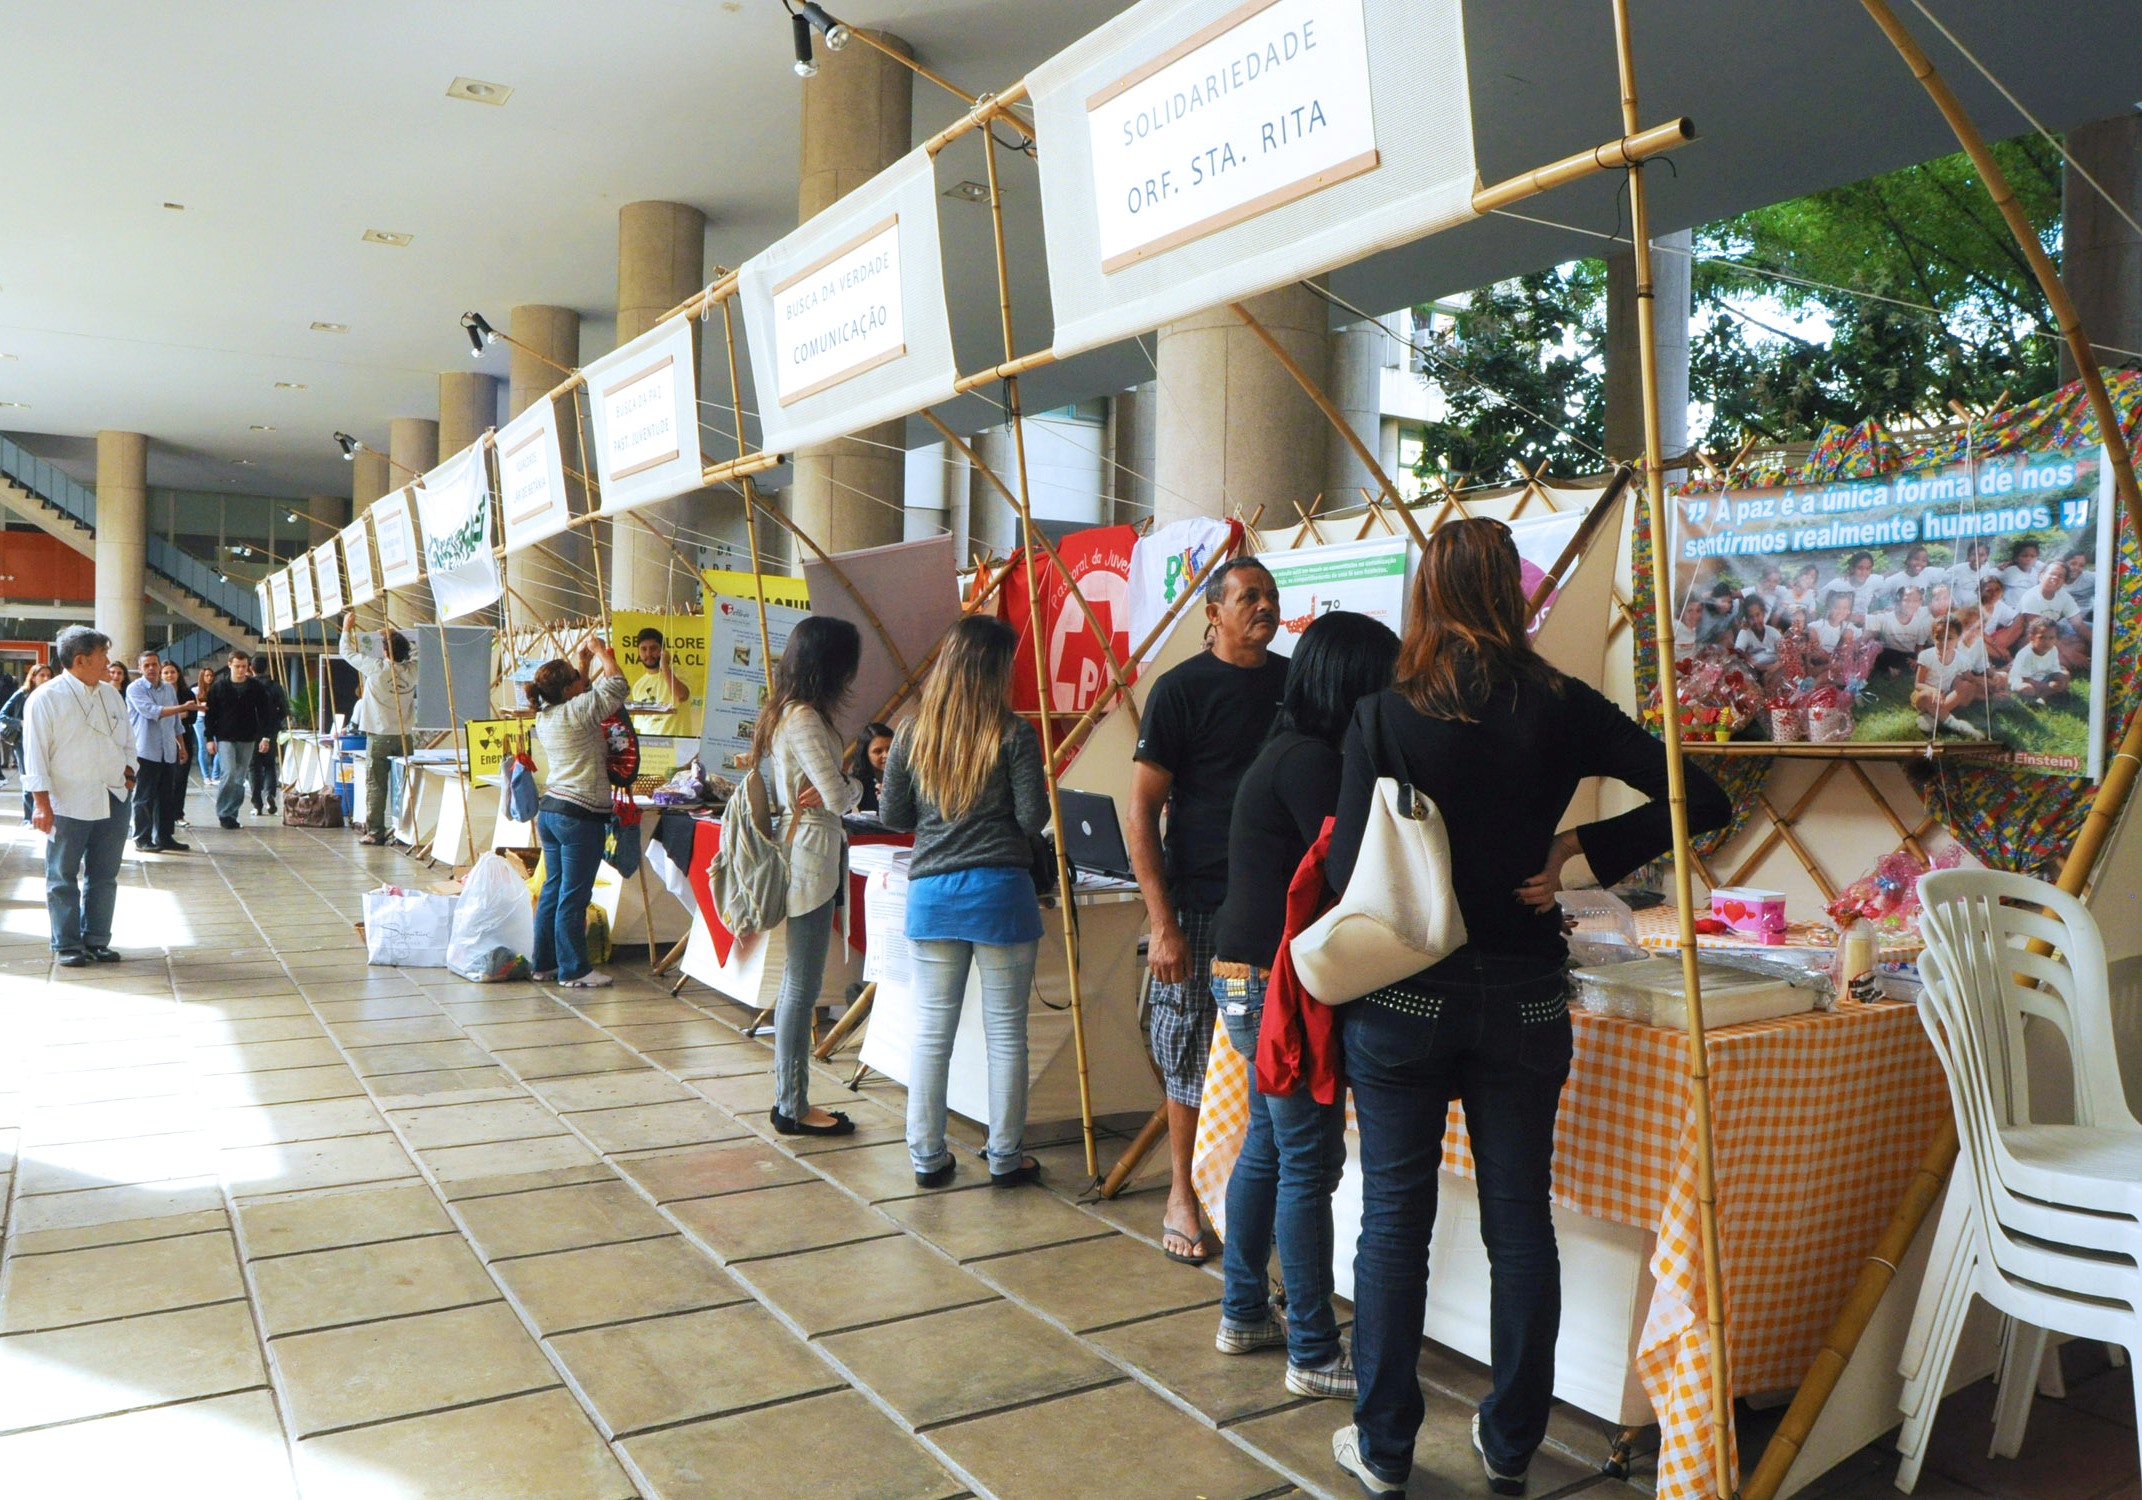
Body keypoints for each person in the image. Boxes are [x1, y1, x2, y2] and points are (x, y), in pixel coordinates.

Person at [1323, 519, 1729, 1498]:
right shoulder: (1561, 704)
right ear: (1516, 593)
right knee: (1520, 1223)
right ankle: (1510, 1445)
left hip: (1405, 995)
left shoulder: (1383, 716)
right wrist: (1576, 850)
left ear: (1427, 594)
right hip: (1525, 998)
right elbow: (1703, 795)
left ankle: (1384, 1449)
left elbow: (1345, 876)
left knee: (1393, 1222)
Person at [1210, 610, 1400, 1401]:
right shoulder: (1315, 764)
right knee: (1307, 1162)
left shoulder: (1287, 750)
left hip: (1244, 972)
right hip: (1274, 983)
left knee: (1268, 1145)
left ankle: (1244, 1311)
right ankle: (1315, 1349)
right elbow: (1356, 872)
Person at [1129, 556, 1289, 1265]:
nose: (1264, 606)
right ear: (1213, 613)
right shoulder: (1180, 691)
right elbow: (1142, 810)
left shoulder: (1294, 684)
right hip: (1199, 903)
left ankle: (1252, 1198)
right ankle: (1182, 1195)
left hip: (1281, 908)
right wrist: (1162, 923)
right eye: (1249, 597)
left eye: (1271, 595)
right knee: (1189, 1049)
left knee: (1274, 1055)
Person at [877, 617, 1049, 1189]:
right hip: (1001, 894)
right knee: (1007, 1035)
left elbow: (893, 815)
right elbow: (1033, 819)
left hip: (932, 896)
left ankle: (927, 1157)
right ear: (995, 670)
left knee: (931, 1032)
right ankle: (1005, 1158)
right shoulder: (1014, 733)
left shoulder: (911, 733)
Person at [756, 615, 865, 1137]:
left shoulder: (788, 712)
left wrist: (838, 787)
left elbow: (831, 792)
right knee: (801, 984)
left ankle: (790, 1100)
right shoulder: (804, 718)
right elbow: (839, 796)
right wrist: (852, 785)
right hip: (812, 853)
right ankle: (792, 1105)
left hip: (806, 849)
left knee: (797, 983)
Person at [23, 627, 138, 967]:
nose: (108, 662)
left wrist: (129, 773)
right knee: (62, 876)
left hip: (113, 797)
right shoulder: (45, 698)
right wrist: (41, 804)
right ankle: (67, 944)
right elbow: (35, 756)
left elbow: (128, 741)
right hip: (67, 801)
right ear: (81, 659)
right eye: (103, 654)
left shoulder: (111, 694)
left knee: (104, 875)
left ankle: (97, 940)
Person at [526, 639, 630, 988]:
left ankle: (544, 964)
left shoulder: (546, 715)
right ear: (568, 689)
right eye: (576, 678)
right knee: (574, 895)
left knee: (553, 889)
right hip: (579, 814)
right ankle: (574, 970)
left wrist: (582, 667)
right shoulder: (576, 711)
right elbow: (618, 685)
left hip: (551, 811)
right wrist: (601, 652)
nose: (581, 682)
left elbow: (577, 695)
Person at [339, 611, 419, 845]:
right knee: (405, 785)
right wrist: (395, 635)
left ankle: (375, 831)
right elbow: (415, 651)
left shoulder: (377, 668)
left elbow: (347, 652)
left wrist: (346, 628)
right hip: (404, 736)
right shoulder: (413, 671)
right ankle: (404, 832)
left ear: (384, 652)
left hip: (379, 736)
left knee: (376, 784)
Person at [125, 648, 194, 853]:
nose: (151, 668)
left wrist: (181, 745)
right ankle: (142, 838)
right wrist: (183, 707)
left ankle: (164, 837)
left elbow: (175, 722)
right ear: (140, 668)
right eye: (146, 665)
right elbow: (152, 712)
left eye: (154, 664)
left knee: (166, 797)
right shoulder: (135, 689)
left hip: (168, 751)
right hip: (145, 751)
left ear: (159, 666)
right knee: (144, 797)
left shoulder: (168, 689)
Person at [204, 649, 273, 829]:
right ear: (229, 665)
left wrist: (265, 737)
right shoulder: (219, 687)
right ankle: (224, 812)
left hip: (248, 737)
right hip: (225, 736)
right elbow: (210, 715)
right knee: (228, 773)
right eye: (237, 666)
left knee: (240, 777)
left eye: (244, 666)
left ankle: (231, 813)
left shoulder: (255, 687)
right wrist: (209, 738)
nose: (241, 670)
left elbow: (265, 713)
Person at [1914, 606, 1991, 739]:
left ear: (1958, 639)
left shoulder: (1961, 659)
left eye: (1949, 638)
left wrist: (1988, 686)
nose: (1943, 643)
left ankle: (1932, 716)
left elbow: (1970, 678)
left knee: (1967, 686)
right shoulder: (1926, 655)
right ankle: (1958, 725)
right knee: (1927, 696)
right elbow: (1918, 684)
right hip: (1926, 696)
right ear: (1933, 637)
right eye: (1939, 638)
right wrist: (1933, 691)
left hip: (1946, 696)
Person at [2013, 564, 2091, 670]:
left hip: (2050, 638)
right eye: (2052, 573)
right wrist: (2069, 653)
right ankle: (2050, 663)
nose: (2055, 577)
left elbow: (2079, 625)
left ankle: (2052, 661)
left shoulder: (2064, 596)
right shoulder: (2031, 596)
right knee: (2066, 659)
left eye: (2061, 576)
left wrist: (2098, 647)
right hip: (2030, 639)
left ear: (2064, 581)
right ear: (2041, 576)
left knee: (2080, 644)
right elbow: (2037, 632)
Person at [5, 663, 52, 820]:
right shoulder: (23, 693)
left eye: (49, 675)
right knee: (28, 777)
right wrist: (20, 723)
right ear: (33, 677)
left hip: (45, 740)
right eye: (42, 675)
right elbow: (3, 714)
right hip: (23, 742)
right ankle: (29, 817)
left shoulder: (51, 695)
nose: (46, 679)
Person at [250, 665, 288, 816]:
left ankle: (257, 804)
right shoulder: (275, 686)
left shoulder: (249, 686)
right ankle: (269, 794)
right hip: (270, 730)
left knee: (253, 767)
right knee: (269, 764)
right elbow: (284, 710)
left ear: (251, 668)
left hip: (252, 730)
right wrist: (275, 721)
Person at [2007, 617, 2072, 705]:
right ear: (2031, 638)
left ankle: (2045, 695)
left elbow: (2054, 670)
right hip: (2023, 681)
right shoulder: (2026, 654)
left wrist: (2060, 680)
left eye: (2051, 638)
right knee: (2027, 689)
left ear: (2056, 639)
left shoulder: (2053, 649)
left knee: (2065, 674)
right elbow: (2026, 679)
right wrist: (2049, 687)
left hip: (2043, 677)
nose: (2047, 642)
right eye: (2042, 638)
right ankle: (2044, 696)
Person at [628, 627, 689, 712]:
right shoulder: (638, 686)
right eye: (643, 649)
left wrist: (664, 666)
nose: (648, 653)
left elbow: (681, 696)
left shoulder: (680, 673)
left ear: (663, 650)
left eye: (653, 648)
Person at [849, 721, 895, 814]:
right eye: (878, 751)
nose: (887, 755)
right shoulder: (857, 783)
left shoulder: (909, 774)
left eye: (891, 748)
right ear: (866, 755)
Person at [1730, 596, 1782, 671]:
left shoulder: (1773, 632)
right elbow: (1738, 651)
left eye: (1758, 615)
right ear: (1747, 619)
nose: (1756, 621)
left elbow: (1785, 653)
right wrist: (1756, 664)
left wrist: (1774, 667)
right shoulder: (1745, 633)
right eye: (1751, 617)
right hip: (1753, 672)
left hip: (1773, 670)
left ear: (1763, 613)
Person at [193, 666, 218, 780]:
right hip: (200, 719)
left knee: (219, 746)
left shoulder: (216, 689)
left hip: (214, 719)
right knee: (203, 746)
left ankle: (215, 774)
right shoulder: (195, 690)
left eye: (211, 675)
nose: (209, 678)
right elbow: (198, 707)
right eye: (207, 675)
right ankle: (206, 776)